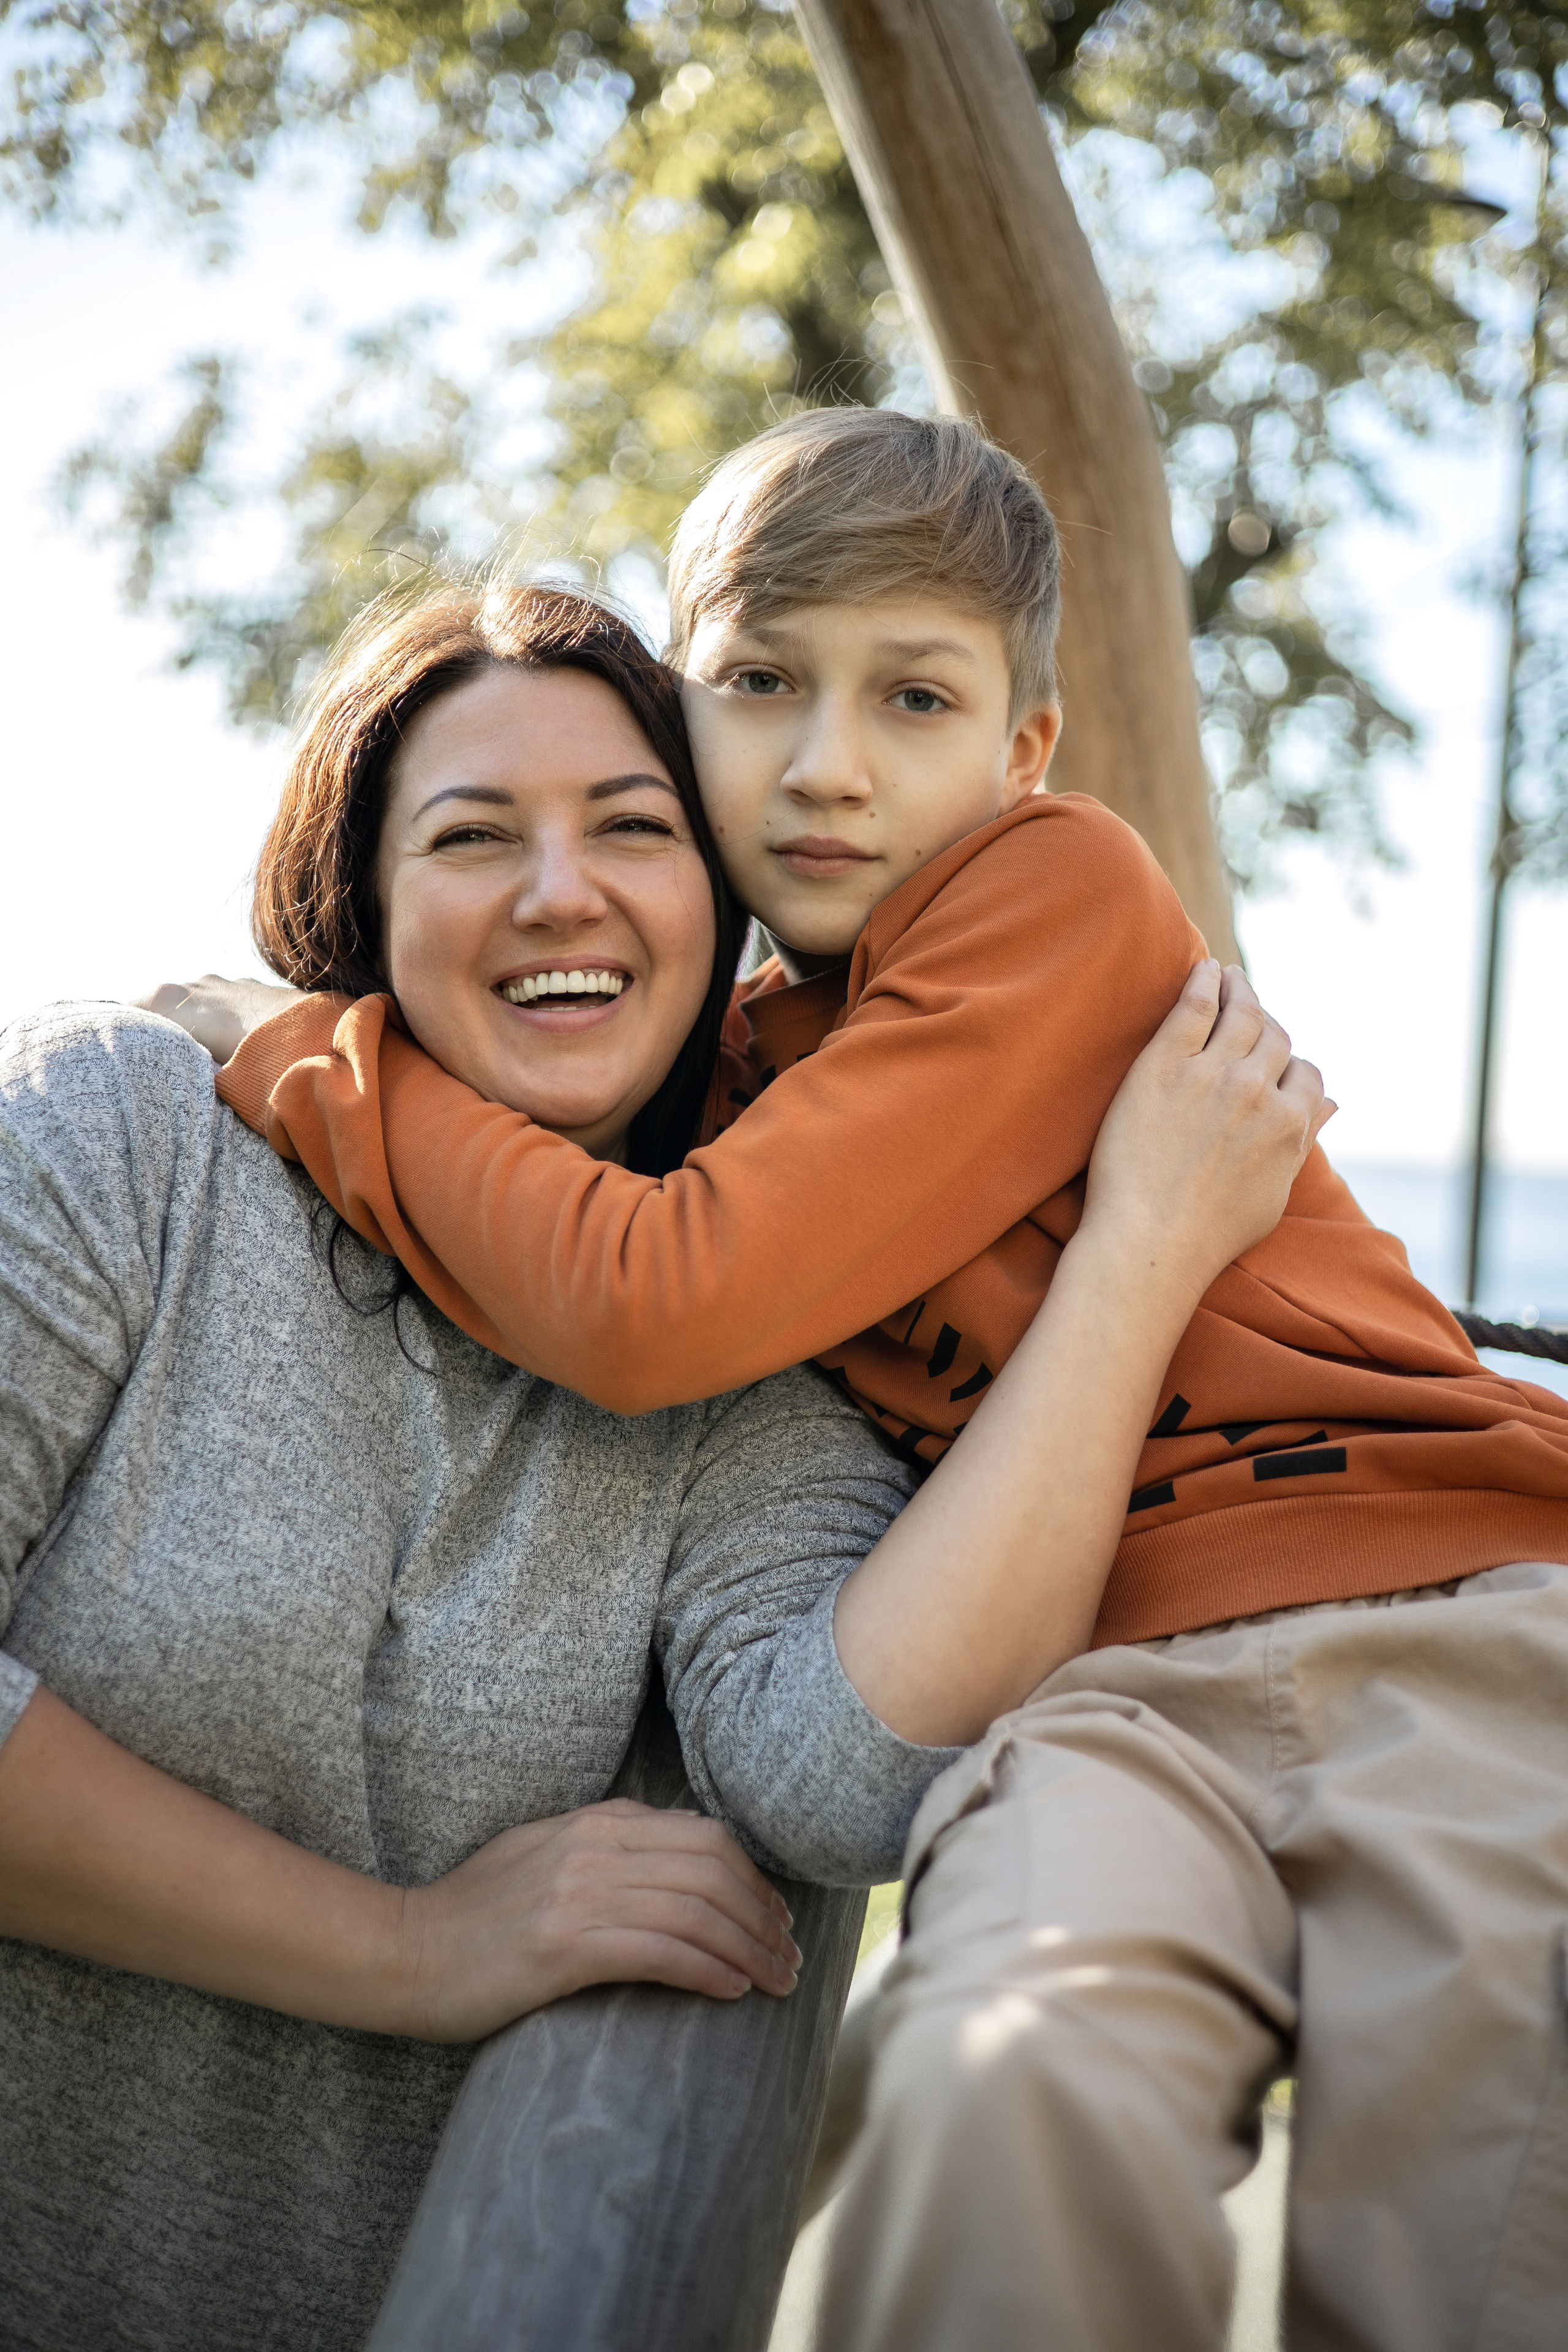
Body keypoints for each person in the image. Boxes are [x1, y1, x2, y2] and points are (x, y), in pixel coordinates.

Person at [171, 409, 1568, 2346]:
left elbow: (659, 1301)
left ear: (1020, 753)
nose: (829, 768)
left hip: (1456, 1611)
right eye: (760, 685)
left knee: (1470, 2209)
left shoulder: (1051, 897)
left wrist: (325, 1053)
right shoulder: (725, 1069)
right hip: (1112, 1701)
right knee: (1000, 2093)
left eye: (914, 699)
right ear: (683, 707)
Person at [0, 576, 1322, 2351]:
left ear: (721, 903)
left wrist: (1140, 1257)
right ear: (366, 902)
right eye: (474, 836)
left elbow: (851, 1778)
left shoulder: (757, 1362)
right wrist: (408, 1951)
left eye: (635, 827)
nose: (565, 892)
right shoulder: (124, 1136)